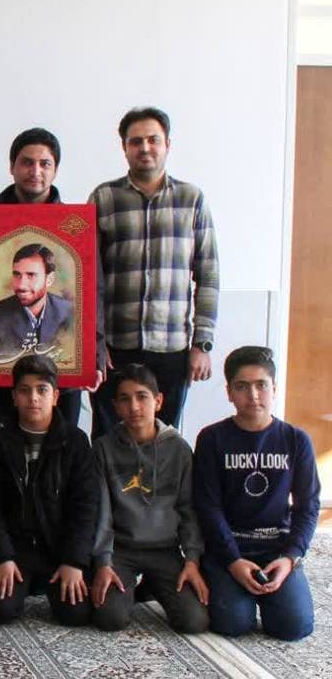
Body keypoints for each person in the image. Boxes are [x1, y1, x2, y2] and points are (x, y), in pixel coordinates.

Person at [0, 127, 103, 429]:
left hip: (62, 382)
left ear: (55, 169)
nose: (35, 171)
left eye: (44, 163)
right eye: (26, 162)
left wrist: (95, 356)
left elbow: (94, 293)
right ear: (12, 166)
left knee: (61, 447)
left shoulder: (76, 228)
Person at [89, 107, 219, 435]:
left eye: (153, 140)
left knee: (165, 440)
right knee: (108, 440)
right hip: (114, 348)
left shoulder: (192, 199)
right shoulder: (104, 198)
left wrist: (202, 344)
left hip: (172, 348)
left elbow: (208, 275)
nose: (145, 148)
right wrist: (93, 343)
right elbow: (87, 278)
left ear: (167, 145)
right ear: (124, 147)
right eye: (136, 141)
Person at [194, 346, 319, 641]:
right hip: (229, 548)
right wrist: (233, 561)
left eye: (261, 385)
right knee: (233, 623)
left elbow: (308, 505)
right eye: (242, 386)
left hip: (276, 547)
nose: (253, 395)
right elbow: (208, 506)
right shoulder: (212, 438)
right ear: (229, 392)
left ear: (274, 388)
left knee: (294, 627)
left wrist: (291, 557)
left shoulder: (296, 440)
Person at [0, 355, 98, 626]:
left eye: (42, 390)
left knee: (76, 614)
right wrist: (2, 557)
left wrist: (74, 562)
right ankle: (27, 581)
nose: (33, 398)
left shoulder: (76, 442)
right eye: (24, 390)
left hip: (58, 548)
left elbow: (86, 507)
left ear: (55, 397)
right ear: (14, 397)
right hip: (15, 549)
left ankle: (43, 582)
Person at [90, 365, 208, 634]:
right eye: (125, 399)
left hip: (165, 549)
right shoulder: (103, 448)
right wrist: (103, 563)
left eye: (142, 397)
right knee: (110, 618)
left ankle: (154, 583)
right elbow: (102, 513)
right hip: (121, 549)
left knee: (194, 621)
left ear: (158, 401)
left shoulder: (179, 449)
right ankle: (136, 586)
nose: (134, 407)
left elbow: (188, 509)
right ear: (116, 407)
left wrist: (192, 560)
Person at [0, 243, 74, 360]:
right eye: (17, 275)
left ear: (49, 279)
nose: (21, 285)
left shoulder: (69, 312)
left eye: (31, 275)